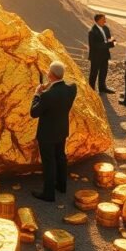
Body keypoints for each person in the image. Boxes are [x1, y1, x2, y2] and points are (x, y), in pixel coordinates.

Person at [30, 60, 77, 201]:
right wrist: (50, 86)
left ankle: (48, 193)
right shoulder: (72, 89)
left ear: (50, 75)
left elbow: (33, 112)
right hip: (61, 130)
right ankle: (61, 186)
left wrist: (37, 94)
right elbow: (60, 90)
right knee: (60, 157)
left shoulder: (46, 96)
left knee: (49, 162)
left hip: (47, 134)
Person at [88, 13, 116, 94]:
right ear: (99, 20)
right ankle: (91, 90)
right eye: (104, 19)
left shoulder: (106, 28)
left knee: (104, 72)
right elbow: (94, 45)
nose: (105, 20)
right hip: (96, 56)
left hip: (105, 55)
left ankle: (102, 88)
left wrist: (112, 43)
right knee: (94, 73)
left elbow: (110, 40)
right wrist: (108, 44)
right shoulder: (92, 31)